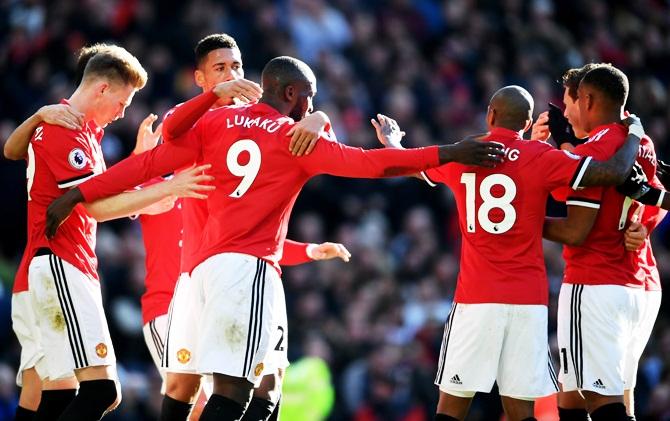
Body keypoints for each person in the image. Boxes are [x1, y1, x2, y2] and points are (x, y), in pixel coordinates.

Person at [44, 55, 507, 421]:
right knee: (239, 391)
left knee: (197, 389)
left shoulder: (213, 124)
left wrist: (78, 193)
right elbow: (372, 165)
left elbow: (142, 165)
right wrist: (449, 151)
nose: (310, 105)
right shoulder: (294, 138)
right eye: (309, 97)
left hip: (198, 274)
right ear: (291, 94)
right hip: (247, 271)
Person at [375, 85, 645, 421]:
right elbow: (611, 172)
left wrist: (393, 143)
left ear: (490, 115)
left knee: (452, 406)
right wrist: (633, 133)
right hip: (527, 301)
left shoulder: (465, 153)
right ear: (529, 121)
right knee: (520, 410)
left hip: (476, 297)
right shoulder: (541, 156)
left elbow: (412, 166)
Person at [136, 33, 350, 421]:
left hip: (238, 272)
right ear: (199, 78)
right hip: (177, 293)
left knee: (268, 382)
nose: (233, 75)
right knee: (203, 395)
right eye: (220, 69)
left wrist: (317, 116)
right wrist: (148, 190)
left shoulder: (255, 124)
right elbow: (134, 183)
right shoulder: (182, 125)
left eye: (237, 66)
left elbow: (251, 219)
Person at [10, 43, 213, 421]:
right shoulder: (64, 130)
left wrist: (142, 166)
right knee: (101, 390)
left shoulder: (82, 132)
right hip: (60, 264)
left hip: (52, 267)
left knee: (48, 397)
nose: (122, 113)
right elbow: (95, 206)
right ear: (102, 89)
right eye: (122, 102)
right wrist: (170, 186)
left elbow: (110, 194)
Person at [532, 63, 668, 421]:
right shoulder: (642, 143)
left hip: (595, 283)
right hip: (641, 285)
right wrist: (645, 227)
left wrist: (524, 223)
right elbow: (659, 198)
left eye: (568, 103)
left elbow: (576, 230)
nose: (566, 112)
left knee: (599, 403)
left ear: (587, 99)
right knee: (589, 396)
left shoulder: (595, 152)